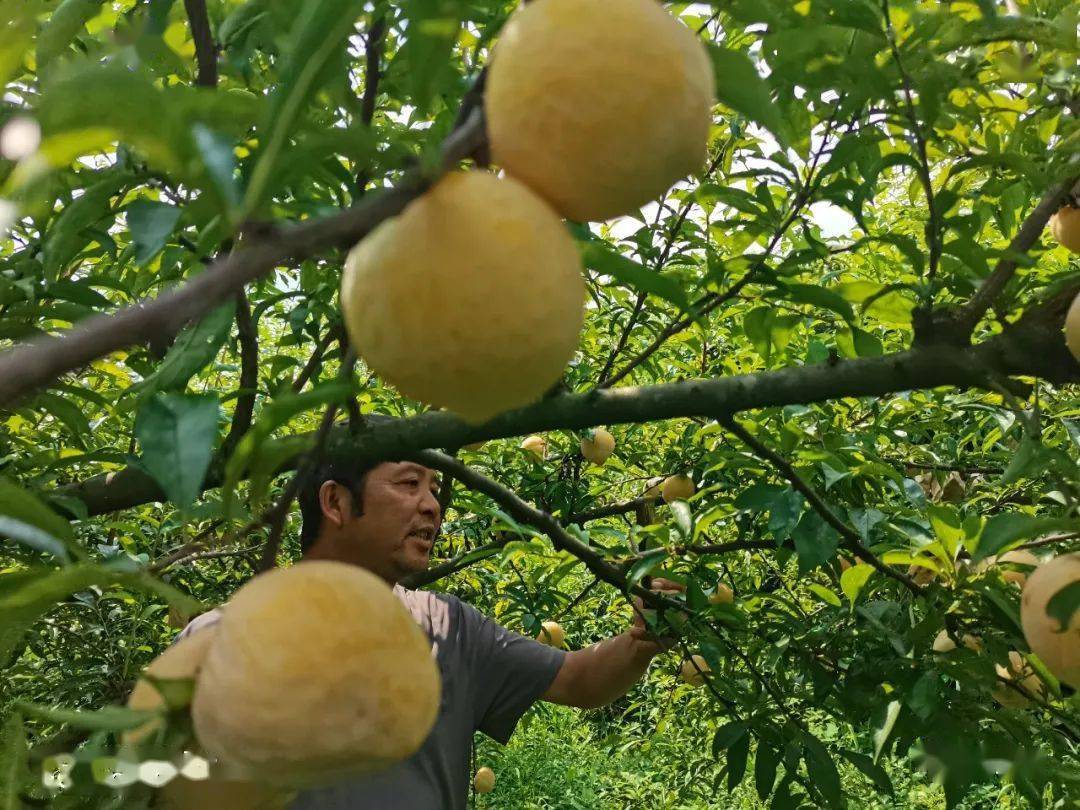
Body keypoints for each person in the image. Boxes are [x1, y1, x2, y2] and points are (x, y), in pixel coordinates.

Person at [176, 452, 681, 809]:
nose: (432, 506)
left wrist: (639, 642)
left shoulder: (449, 627)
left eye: (435, 490)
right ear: (336, 503)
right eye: (408, 484)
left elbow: (578, 679)